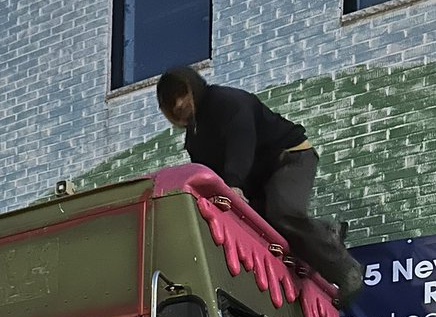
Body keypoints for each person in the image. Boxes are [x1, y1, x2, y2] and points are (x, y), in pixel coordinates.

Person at [156, 66, 363, 303]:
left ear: (192, 89)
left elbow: (241, 140)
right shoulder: (195, 137)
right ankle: (326, 232)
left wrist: (234, 183)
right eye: (172, 106)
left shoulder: (226, 101)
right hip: (260, 182)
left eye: (182, 98)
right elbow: (207, 175)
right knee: (259, 230)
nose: (179, 107)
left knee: (283, 212)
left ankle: (346, 270)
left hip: (289, 158)